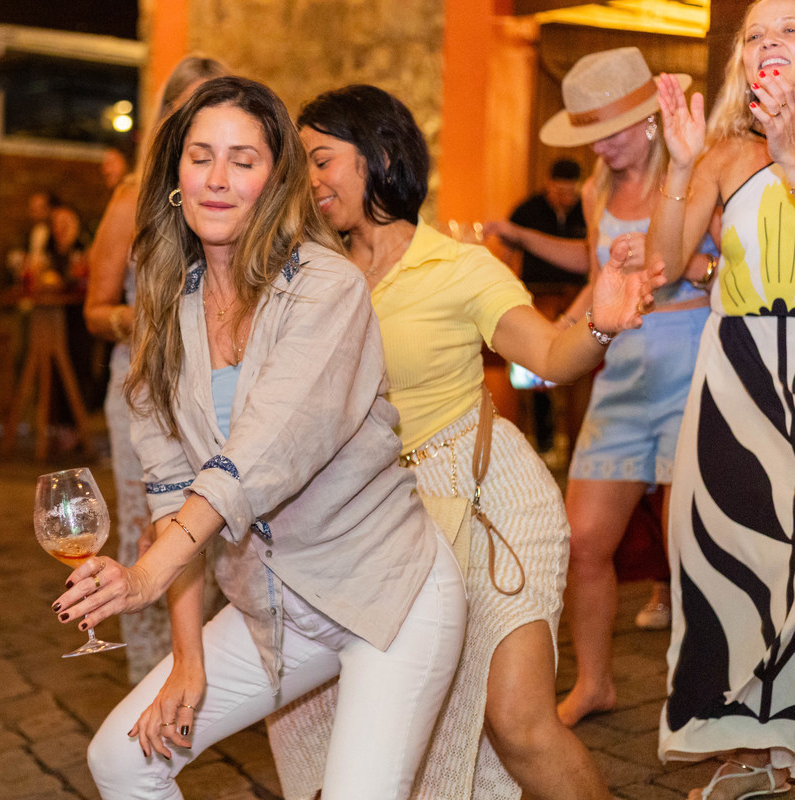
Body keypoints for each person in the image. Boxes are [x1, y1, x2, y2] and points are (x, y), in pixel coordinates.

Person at [56, 74, 468, 800]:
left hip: (387, 598)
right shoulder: (165, 307)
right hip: (272, 608)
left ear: (276, 181)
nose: (217, 179)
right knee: (123, 760)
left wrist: (145, 577)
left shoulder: (326, 288)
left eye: (242, 161)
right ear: (176, 175)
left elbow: (253, 460)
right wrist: (188, 659)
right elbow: (171, 492)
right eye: (201, 157)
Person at [263, 84, 662, 800]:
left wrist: (599, 325)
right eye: (303, 164)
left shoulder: (457, 266)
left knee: (518, 722)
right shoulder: (314, 276)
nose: (309, 179)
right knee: (347, 730)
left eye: (321, 160)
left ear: (381, 157)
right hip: (381, 520)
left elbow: (549, 355)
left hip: (486, 501)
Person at [540, 48, 715, 728]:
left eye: (609, 130)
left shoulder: (695, 171)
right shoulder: (595, 192)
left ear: (646, 120)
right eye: (589, 134)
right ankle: (594, 683)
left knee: (689, 545)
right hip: (621, 374)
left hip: (688, 361)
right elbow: (598, 282)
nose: (600, 148)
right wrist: (559, 332)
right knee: (583, 540)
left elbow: (733, 269)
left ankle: (705, 691)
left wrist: (686, 264)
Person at [646, 1, 795, 794]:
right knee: (728, 559)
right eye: (757, 35)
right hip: (737, 375)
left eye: (790, 29)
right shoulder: (726, 152)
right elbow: (666, 265)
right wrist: (679, 166)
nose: (770, 43)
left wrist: (790, 154)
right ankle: (757, 746)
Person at [85, 54, 230, 683]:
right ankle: (150, 674)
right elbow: (94, 310)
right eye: (188, 105)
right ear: (168, 114)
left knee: (219, 523)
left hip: (222, 389)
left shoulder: (236, 198)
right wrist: (146, 321)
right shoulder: (131, 199)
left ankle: (210, 669)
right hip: (146, 386)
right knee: (150, 528)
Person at [486, 158, 590, 460]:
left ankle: (576, 447)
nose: (566, 197)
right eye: (560, 191)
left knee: (579, 370)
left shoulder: (587, 209)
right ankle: (541, 443)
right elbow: (505, 257)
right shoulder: (526, 211)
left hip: (577, 299)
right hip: (538, 300)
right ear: (548, 185)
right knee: (535, 371)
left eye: (571, 192)